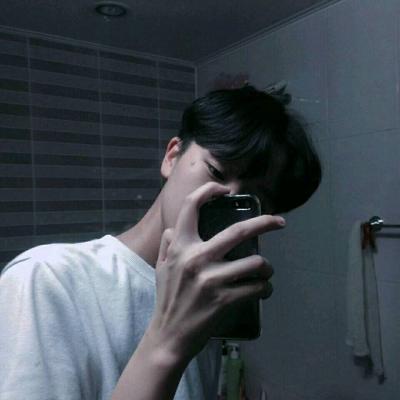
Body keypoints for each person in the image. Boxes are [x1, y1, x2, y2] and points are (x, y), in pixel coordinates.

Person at [0, 85, 322, 400]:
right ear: (172, 157)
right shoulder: (45, 279)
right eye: (216, 171)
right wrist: (169, 340)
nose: (223, 199)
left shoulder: (207, 291)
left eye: (250, 199)